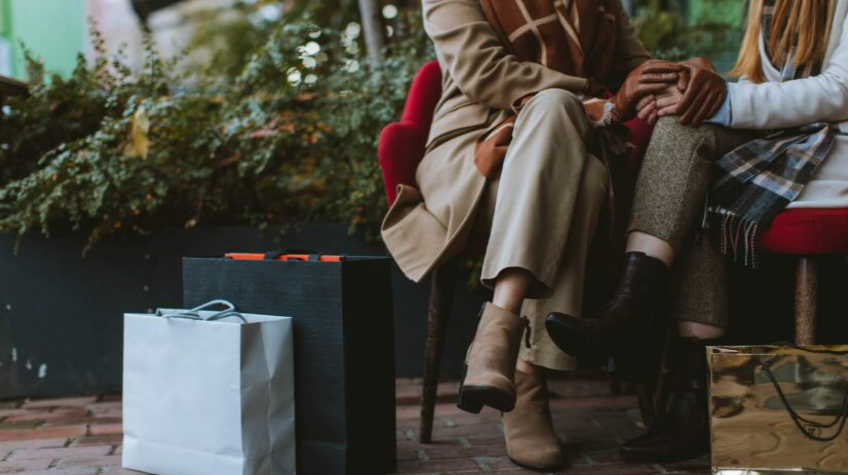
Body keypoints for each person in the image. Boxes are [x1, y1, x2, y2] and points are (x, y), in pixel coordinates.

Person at [381, 0, 694, 470]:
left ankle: (501, 346)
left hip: (572, 155)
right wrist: (598, 100)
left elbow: (637, 67)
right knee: (559, 121)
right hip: (475, 154)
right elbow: (485, 73)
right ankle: (527, 378)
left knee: (584, 179)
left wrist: (690, 73)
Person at [545, 0, 848, 462]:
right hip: (794, 137)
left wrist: (726, 98)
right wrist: (697, 87)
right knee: (681, 126)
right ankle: (634, 316)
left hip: (836, 148)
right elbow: (775, 87)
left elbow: (840, 91)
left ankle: (664, 365)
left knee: (699, 176)